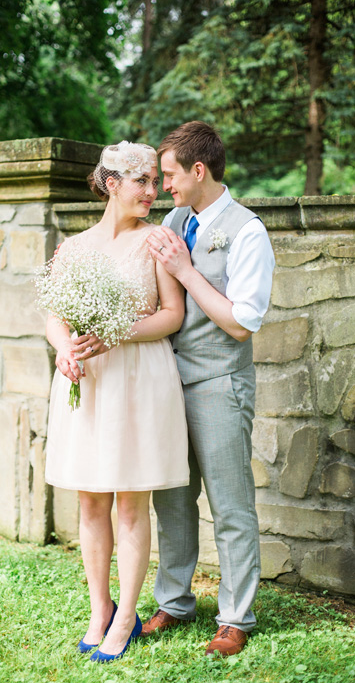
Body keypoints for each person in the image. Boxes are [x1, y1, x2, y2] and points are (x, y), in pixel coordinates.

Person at [44, 141, 190, 662]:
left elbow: (172, 314)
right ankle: (98, 608)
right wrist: (65, 347)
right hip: (88, 380)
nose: (153, 192)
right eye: (141, 182)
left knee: (131, 501)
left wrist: (116, 332)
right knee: (90, 499)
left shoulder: (159, 241)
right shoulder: (74, 247)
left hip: (138, 378)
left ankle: (127, 615)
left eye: (155, 181)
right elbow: (54, 314)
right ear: (111, 183)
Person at [142, 121, 275, 656]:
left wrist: (186, 268)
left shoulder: (248, 232)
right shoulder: (176, 219)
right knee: (172, 499)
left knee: (230, 503)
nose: (163, 187)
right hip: (170, 384)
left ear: (199, 171)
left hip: (221, 383)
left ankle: (236, 617)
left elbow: (242, 323)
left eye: (170, 175)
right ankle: (174, 603)